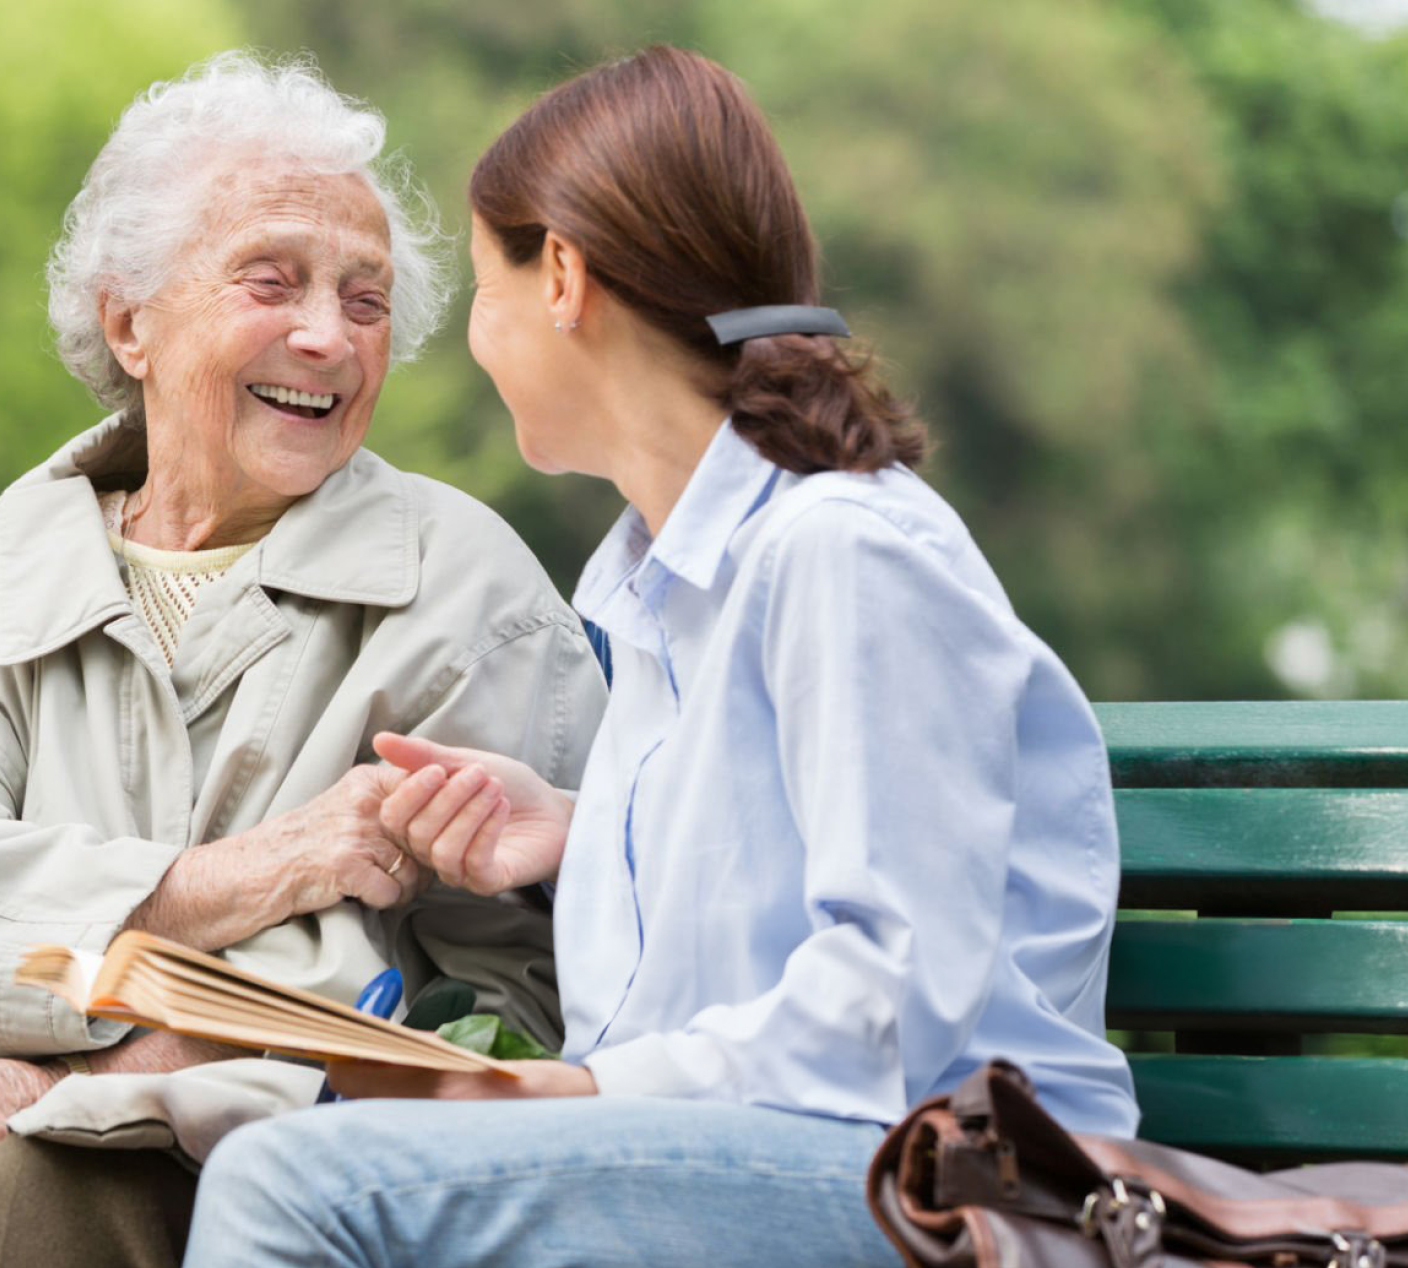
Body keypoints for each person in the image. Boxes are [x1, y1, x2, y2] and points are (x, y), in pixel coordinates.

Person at [0, 52, 605, 1268]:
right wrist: (243, 877)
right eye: (271, 280)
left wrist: (100, 1080)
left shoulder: (462, 588)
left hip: (283, 1149)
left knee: (46, 1184)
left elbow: (519, 1000)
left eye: (366, 300)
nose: (328, 336)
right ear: (129, 320)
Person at [183, 45, 1141, 1268]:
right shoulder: (667, 587)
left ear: (562, 276)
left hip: (941, 1189)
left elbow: (891, 1005)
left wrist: (582, 1091)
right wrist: (584, 831)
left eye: (482, 288)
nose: (472, 339)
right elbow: (793, 875)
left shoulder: (844, 551)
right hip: (780, 1164)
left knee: (289, 1178)